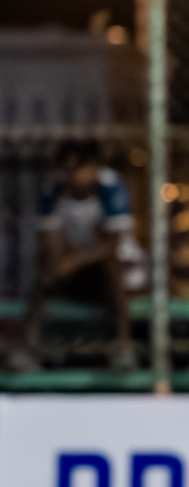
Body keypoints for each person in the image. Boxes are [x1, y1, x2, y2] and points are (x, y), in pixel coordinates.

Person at [31, 139, 144, 366]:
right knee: (38, 283)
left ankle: (123, 343)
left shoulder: (110, 184)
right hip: (76, 273)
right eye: (68, 169)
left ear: (94, 168)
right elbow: (50, 244)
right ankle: (33, 349)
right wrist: (60, 265)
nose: (75, 175)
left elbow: (113, 244)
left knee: (111, 268)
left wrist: (71, 260)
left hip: (118, 275)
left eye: (80, 168)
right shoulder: (51, 190)